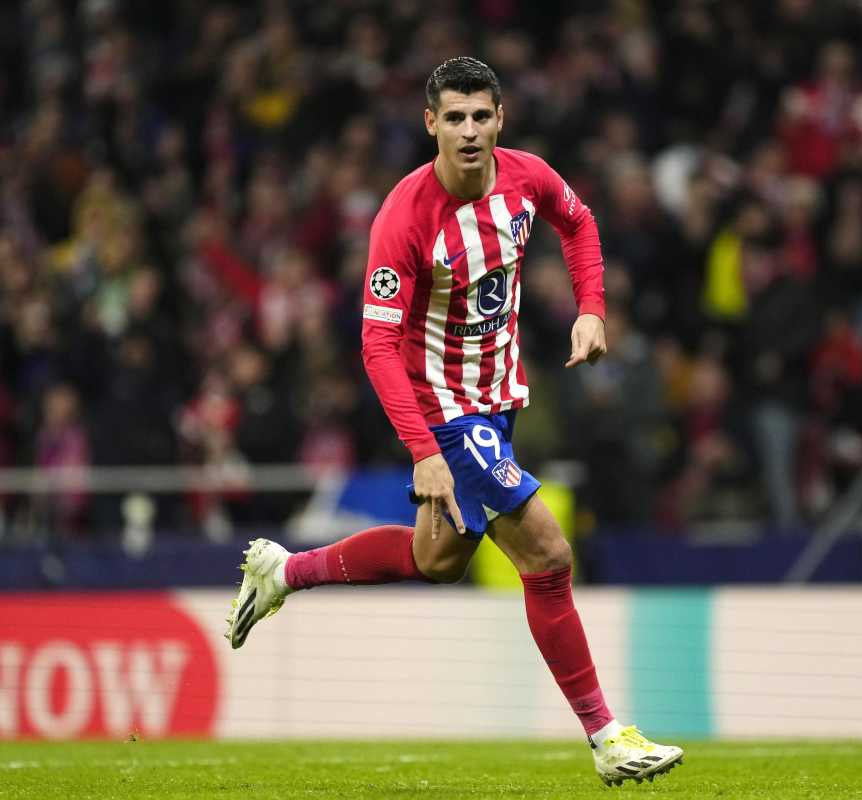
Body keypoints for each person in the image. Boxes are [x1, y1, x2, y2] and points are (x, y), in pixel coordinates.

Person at [224, 57, 683, 787]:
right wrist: (423, 450)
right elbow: (377, 346)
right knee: (549, 557)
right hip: (443, 408)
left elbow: (579, 221)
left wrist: (592, 308)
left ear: (500, 119)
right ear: (430, 123)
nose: (469, 131)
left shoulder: (527, 178)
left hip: (496, 402)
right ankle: (607, 738)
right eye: (455, 118)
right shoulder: (403, 219)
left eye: (481, 116)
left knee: (435, 561)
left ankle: (284, 571)